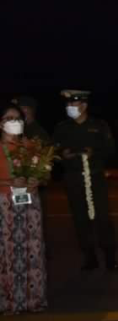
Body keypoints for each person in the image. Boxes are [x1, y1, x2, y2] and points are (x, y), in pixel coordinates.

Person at [53, 90, 118, 271]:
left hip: (95, 176)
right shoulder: (62, 127)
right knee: (80, 219)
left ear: (84, 106)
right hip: (73, 178)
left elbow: (110, 149)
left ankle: (110, 257)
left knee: (103, 218)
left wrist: (94, 153)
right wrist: (62, 155)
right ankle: (89, 257)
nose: (69, 108)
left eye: (73, 105)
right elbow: (54, 152)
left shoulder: (99, 125)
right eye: (67, 105)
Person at [0, 105, 47, 314]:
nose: (14, 121)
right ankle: (9, 301)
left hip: (29, 204)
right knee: (8, 251)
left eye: (17, 117)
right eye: (9, 118)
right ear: (1, 123)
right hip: (5, 203)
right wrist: (9, 180)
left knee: (32, 250)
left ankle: (33, 300)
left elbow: (45, 173)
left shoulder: (31, 146)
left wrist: (36, 179)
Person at [12, 96, 51, 253]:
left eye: (22, 110)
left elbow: (46, 161)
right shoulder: (18, 131)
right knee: (18, 220)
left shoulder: (37, 132)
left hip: (31, 187)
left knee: (30, 219)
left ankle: (35, 249)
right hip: (16, 186)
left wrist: (38, 177)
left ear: (29, 110)